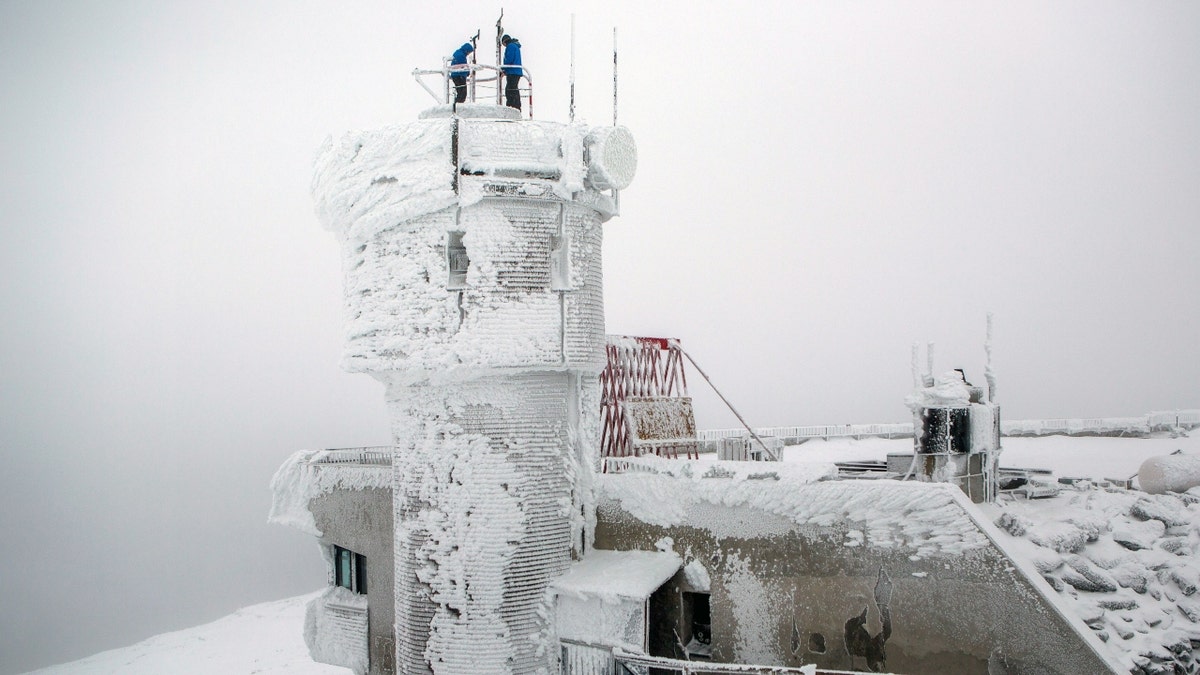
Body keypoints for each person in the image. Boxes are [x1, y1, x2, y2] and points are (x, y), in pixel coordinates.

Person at [501, 35, 522, 110]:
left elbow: (509, 59)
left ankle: (512, 106)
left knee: (510, 90)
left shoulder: (510, 46)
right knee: (513, 89)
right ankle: (516, 106)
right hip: (516, 71)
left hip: (512, 71)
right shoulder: (515, 46)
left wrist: (503, 68)